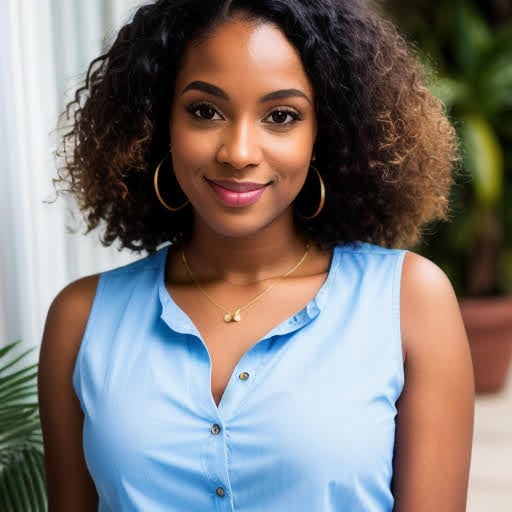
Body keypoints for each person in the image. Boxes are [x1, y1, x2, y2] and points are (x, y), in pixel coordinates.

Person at [38, 0, 474, 510]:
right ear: (158, 123)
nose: (239, 151)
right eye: (205, 111)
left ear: (325, 133)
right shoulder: (83, 320)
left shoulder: (408, 302)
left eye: (281, 116)